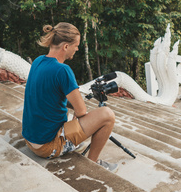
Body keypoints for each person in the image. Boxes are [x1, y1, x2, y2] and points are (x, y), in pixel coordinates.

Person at [22, 22, 118, 172]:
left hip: (30, 140)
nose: (77, 49)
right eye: (76, 45)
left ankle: (69, 142)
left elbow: (48, 95)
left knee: (72, 112)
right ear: (66, 46)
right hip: (48, 147)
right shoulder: (63, 70)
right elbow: (81, 111)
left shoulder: (38, 61)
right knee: (107, 115)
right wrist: (75, 125)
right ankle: (93, 163)